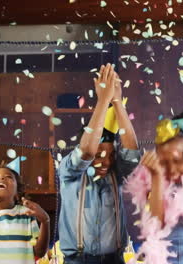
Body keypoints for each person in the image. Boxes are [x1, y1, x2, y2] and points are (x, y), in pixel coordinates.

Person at [58, 63, 140, 264]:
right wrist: (103, 100)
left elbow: (133, 154)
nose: (105, 161)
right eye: (99, 155)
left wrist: (117, 101)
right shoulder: (70, 172)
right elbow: (86, 151)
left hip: (114, 260)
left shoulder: (116, 173)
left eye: (110, 155)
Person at [126, 111, 183, 264]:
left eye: (177, 161)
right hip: (165, 250)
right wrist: (156, 178)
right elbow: (156, 223)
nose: (172, 169)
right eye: (164, 162)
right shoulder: (154, 176)